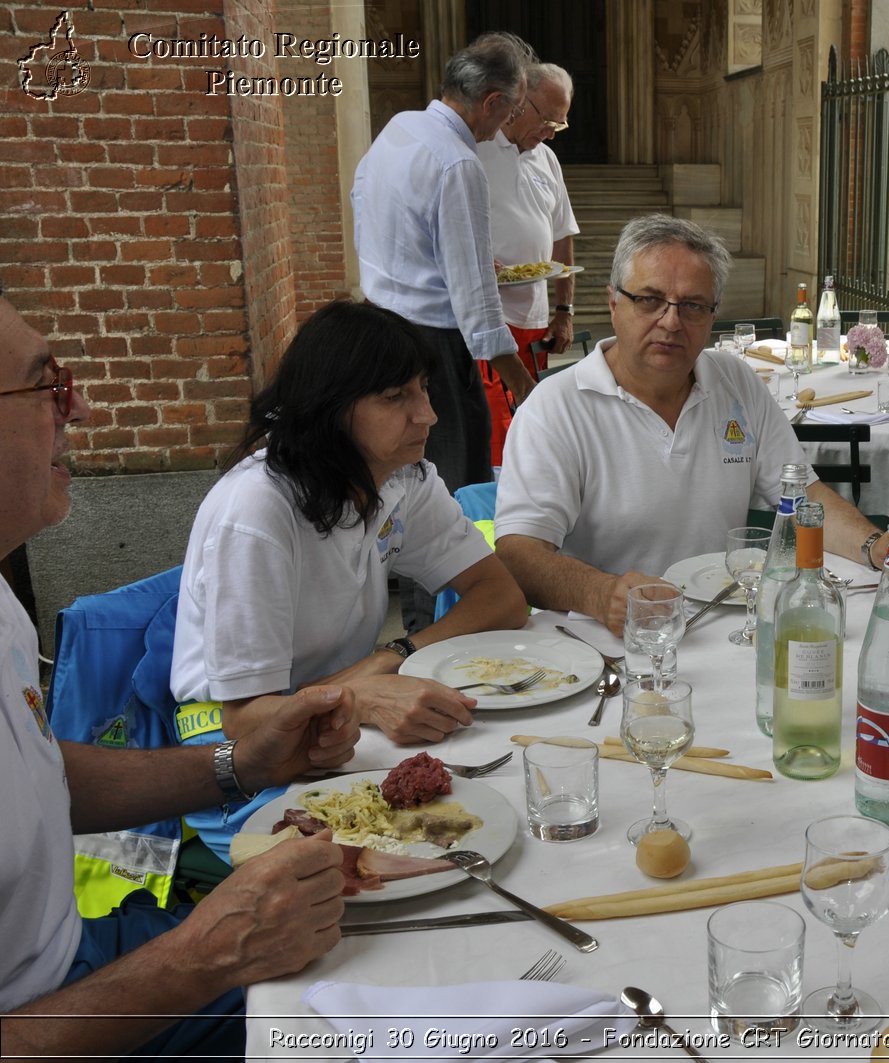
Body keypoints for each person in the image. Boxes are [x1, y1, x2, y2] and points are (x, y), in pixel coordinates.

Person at [0, 293, 356, 1057]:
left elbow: (37, 773)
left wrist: (240, 764)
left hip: (86, 953)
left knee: (387, 953)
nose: (82, 408)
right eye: (48, 386)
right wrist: (204, 957)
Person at [494, 213, 889, 635]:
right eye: (649, 299)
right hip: (609, 643)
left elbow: (802, 498)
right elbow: (519, 554)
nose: (671, 322)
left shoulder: (735, 381)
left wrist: (875, 546)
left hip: (727, 626)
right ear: (613, 303)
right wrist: (599, 592)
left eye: (693, 306)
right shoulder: (556, 408)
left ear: (712, 317)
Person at [171, 300, 529, 755]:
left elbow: (502, 598)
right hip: (225, 735)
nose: (428, 415)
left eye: (423, 388)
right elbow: (242, 717)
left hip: (335, 705)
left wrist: (392, 656)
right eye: (395, 397)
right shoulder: (257, 511)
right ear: (331, 408)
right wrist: (360, 694)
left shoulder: (402, 475)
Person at [351, 32, 532, 628]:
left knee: (396, 474)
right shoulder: (458, 162)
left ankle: (415, 612)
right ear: (492, 101)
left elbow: (367, 206)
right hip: (434, 343)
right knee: (453, 485)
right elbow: (476, 298)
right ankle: (449, 622)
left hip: (382, 331)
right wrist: (520, 377)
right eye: (511, 112)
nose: (506, 128)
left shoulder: (399, 128)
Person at [476, 61, 581, 465]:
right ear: (520, 103)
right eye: (549, 120)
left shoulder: (548, 160)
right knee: (495, 423)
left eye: (561, 124)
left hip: (534, 318)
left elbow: (562, 235)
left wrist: (563, 310)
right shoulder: (476, 148)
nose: (552, 131)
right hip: (489, 316)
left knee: (530, 418)